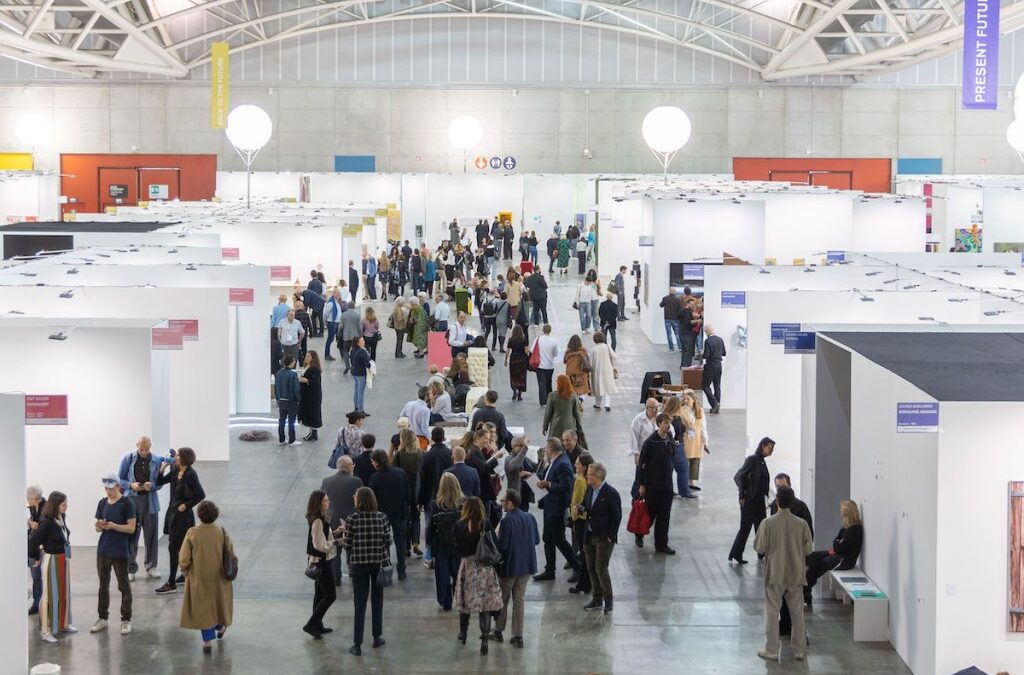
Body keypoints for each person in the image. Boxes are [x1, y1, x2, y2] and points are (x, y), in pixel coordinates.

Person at [754, 486, 812, 662]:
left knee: (772, 611)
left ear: (777, 501)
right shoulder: (801, 524)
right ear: (793, 502)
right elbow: (808, 549)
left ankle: (771, 649)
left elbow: (760, 547)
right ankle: (799, 650)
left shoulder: (768, 523)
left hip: (775, 574)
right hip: (795, 573)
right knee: (797, 612)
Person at [179, 500, 235, 653]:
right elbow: (231, 554)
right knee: (216, 606)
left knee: (204, 609)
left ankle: (207, 642)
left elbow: (184, 559)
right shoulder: (222, 532)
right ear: (215, 515)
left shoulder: (193, 533)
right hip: (219, 578)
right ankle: (221, 626)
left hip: (199, 579)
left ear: (199, 515)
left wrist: (185, 570)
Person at [342, 487, 392, 655]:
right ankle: (377, 637)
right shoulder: (382, 517)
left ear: (359, 500)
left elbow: (347, 543)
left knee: (360, 604)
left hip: (358, 565)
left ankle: (357, 644)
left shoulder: (352, 519)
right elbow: (388, 540)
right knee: (377, 601)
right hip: (378, 564)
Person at [453, 496, 503, 654]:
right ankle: (485, 641)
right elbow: (495, 545)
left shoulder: (459, 525)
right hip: (484, 569)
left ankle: (463, 633)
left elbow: (457, 547)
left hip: (467, 568)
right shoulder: (486, 524)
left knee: (465, 604)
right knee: (485, 606)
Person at [90, 474, 137, 636]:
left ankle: (126, 619)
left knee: (124, 586)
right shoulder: (102, 503)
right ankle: (102, 617)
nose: (108, 492)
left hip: (120, 551)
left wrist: (114, 526)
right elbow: (97, 529)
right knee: (103, 586)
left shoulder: (127, 503)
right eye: (106, 489)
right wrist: (99, 526)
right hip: (103, 551)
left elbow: (131, 528)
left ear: (118, 486)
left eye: (111, 488)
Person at [492, 489, 539, 647]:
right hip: (527, 565)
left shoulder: (506, 521)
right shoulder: (530, 517)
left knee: (503, 598)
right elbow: (537, 540)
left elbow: (503, 546)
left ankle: (498, 631)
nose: (502, 503)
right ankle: (518, 636)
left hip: (510, 567)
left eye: (503, 501)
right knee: (519, 600)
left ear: (510, 503)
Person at [155, 447, 206, 594]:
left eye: (177, 455)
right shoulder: (176, 470)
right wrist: (162, 468)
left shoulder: (190, 474)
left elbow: (201, 494)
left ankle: (171, 583)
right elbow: (160, 482)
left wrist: (186, 505)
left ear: (184, 458)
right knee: (180, 546)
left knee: (174, 547)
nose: (175, 457)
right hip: (173, 513)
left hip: (183, 517)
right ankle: (184, 575)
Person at [117, 436, 166, 581]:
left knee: (151, 536)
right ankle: (130, 568)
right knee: (132, 535)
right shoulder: (128, 459)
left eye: (147, 449)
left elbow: (160, 483)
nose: (144, 452)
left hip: (150, 502)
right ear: (136, 445)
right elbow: (120, 479)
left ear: (150, 446)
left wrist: (152, 486)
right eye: (141, 449)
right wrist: (131, 485)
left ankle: (151, 566)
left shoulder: (156, 460)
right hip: (132, 501)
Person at [29, 491, 76, 642]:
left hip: (63, 559)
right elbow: (33, 542)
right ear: (56, 506)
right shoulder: (47, 522)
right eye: (63, 504)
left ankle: (63, 624)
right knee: (49, 595)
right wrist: (35, 558)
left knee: (63, 593)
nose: (66, 506)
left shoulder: (61, 517)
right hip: (52, 560)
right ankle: (45, 631)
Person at [770, 473, 812, 637]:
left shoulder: (801, 508)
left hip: (795, 561)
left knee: (793, 599)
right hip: (781, 562)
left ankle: (795, 632)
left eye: (782, 486)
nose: (780, 490)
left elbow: (809, 536)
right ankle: (787, 626)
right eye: (778, 487)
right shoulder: (775, 505)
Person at [533, 438, 581, 581]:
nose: (545, 450)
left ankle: (578, 567)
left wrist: (549, 484)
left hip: (556, 508)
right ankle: (549, 570)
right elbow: (546, 476)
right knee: (548, 538)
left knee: (559, 540)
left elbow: (567, 488)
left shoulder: (562, 464)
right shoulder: (556, 461)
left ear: (551, 449)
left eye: (547, 448)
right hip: (549, 507)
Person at [805, 499, 864, 606]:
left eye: (842, 509)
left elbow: (840, 547)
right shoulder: (846, 527)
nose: (840, 512)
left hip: (845, 561)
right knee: (814, 556)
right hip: (839, 555)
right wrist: (838, 543)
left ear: (847, 511)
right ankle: (806, 588)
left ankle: (806, 588)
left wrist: (838, 543)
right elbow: (836, 543)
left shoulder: (855, 529)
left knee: (822, 563)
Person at [580, 462, 621, 613]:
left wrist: (611, 536)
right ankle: (597, 598)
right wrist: (581, 508)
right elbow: (587, 505)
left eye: (589, 475)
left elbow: (617, 517)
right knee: (591, 568)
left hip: (603, 538)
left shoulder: (611, 493)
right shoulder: (590, 489)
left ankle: (608, 599)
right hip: (589, 535)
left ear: (598, 477)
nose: (586, 477)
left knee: (601, 569)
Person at [729, 437, 774, 565]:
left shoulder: (761, 461)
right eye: (769, 447)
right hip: (749, 501)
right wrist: (742, 496)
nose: (771, 451)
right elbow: (739, 477)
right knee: (745, 528)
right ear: (762, 446)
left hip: (759, 501)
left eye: (772, 448)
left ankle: (762, 553)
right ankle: (736, 553)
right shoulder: (753, 460)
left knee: (760, 528)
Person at [304, 490, 341, 638]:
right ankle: (312, 624)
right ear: (319, 503)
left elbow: (323, 538)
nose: (328, 502)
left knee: (319, 594)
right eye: (325, 500)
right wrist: (336, 542)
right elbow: (320, 545)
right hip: (322, 562)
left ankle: (317, 625)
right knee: (330, 595)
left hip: (319, 561)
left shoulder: (318, 519)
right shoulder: (318, 521)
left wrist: (336, 532)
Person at [638, 414, 677, 554]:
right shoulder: (650, 442)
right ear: (659, 424)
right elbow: (642, 463)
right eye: (666, 423)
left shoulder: (670, 438)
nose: (668, 425)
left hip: (667, 485)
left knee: (664, 516)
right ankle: (639, 534)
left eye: (669, 423)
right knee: (650, 515)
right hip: (653, 485)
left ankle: (661, 545)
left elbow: (672, 456)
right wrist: (642, 484)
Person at [369, 449, 410, 579]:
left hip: (382, 515)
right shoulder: (401, 473)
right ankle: (402, 570)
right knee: (400, 542)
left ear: (376, 462)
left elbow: (372, 499)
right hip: (400, 512)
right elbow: (408, 493)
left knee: (384, 543)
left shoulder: (375, 477)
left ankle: (387, 568)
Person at [321, 456, 362, 585]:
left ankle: (336, 577)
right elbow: (360, 501)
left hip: (332, 520)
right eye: (352, 465)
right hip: (352, 520)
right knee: (352, 548)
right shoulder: (356, 481)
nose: (353, 467)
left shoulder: (327, 481)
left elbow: (322, 501)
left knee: (335, 550)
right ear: (349, 466)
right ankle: (352, 572)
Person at [427, 473, 464, 610]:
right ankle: (459, 598)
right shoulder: (463, 503)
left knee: (442, 574)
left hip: (441, 544)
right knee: (458, 573)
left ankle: (445, 601)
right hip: (459, 544)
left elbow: (431, 526)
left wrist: (429, 544)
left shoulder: (436, 504)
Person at [393, 431, 424, 557]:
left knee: (404, 518)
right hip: (416, 490)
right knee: (416, 518)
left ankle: (406, 546)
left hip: (403, 490)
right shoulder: (420, 454)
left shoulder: (399, 454)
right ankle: (416, 542)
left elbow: (394, 472)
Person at [568, 453, 594, 595]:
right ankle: (586, 582)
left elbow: (575, 503)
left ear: (584, 467)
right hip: (587, 520)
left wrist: (573, 519)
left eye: (577, 463)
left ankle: (583, 584)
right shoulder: (588, 481)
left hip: (580, 521)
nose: (575, 465)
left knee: (583, 553)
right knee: (586, 553)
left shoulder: (579, 481)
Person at [663, 396, 696, 500]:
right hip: (677, 446)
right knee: (683, 469)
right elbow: (686, 427)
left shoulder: (665, 417)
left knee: (669, 469)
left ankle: (668, 490)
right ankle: (684, 492)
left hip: (667, 446)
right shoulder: (676, 418)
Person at [680, 389, 709, 493]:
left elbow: (703, 426)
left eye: (688, 399)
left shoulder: (699, 410)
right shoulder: (681, 410)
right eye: (685, 399)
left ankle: (692, 482)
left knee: (695, 461)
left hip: (697, 440)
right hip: (686, 439)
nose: (686, 401)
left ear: (693, 400)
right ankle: (685, 482)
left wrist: (705, 441)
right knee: (685, 461)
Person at [418, 427, 454, 512]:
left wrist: (420, 500)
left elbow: (422, 479)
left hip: (430, 498)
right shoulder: (451, 454)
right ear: (443, 438)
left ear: (432, 438)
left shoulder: (426, 456)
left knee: (430, 523)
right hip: (448, 497)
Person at [542, 374, 584, 443]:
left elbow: (548, 414)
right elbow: (577, 413)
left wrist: (545, 427)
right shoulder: (573, 396)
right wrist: (579, 428)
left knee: (556, 446)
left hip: (556, 427)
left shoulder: (552, 396)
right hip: (570, 427)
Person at [26, 485, 45, 615]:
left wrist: (34, 525)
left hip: (40, 545)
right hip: (31, 542)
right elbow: (33, 522)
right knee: (33, 573)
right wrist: (30, 522)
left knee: (36, 575)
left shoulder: (46, 508)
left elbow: (46, 526)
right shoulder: (32, 507)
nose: (27, 499)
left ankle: (36, 603)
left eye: (28, 497)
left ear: (34, 497)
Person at [275, 354, 302, 446]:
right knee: (291, 421)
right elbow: (295, 389)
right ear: (291, 363)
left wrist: (278, 398)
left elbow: (276, 387)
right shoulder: (293, 374)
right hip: (291, 401)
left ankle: (281, 439)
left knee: (282, 420)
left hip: (281, 400)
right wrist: (298, 399)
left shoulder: (278, 373)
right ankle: (292, 439)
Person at [701, 324, 726, 414]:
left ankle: (714, 403)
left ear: (706, 331)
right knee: (717, 386)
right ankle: (717, 405)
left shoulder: (708, 341)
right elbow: (724, 353)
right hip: (719, 365)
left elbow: (706, 355)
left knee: (705, 385)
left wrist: (701, 355)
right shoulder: (720, 340)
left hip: (710, 365)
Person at [589, 331, 618, 411]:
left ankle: (597, 404)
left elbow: (590, 363)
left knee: (598, 388)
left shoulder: (593, 349)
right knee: (607, 387)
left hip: (597, 371)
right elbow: (615, 356)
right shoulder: (607, 346)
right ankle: (607, 404)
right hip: (607, 370)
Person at [299, 351, 323, 441]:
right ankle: (312, 432)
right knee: (310, 413)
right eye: (306, 356)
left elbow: (317, 383)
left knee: (313, 413)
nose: (306, 358)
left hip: (313, 395)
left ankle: (313, 433)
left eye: (309, 356)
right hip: (308, 394)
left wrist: (306, 380)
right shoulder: (307, 367)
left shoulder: (315, 369)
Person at [534, 323, 559, 405]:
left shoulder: (538, 339)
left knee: (541, 383)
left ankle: (543, 401)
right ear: (550, 331)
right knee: (548, 383)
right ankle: (550, 399)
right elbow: (555, 354)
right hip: (550, 365)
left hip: (540, 365)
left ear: (543, 330)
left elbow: (532, 350)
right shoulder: (553, 341)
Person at [504, 324, 529, 402]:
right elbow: (526, 351)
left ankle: (514, 392)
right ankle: (520, 395)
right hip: (522, 360)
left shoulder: (510, 339)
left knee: (513, 376)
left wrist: (505, 360)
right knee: (521, 376)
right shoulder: (524, 339)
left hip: (513, 359)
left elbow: (507, 351)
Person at [564, 335, 591, 400]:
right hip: (580, 372)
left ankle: (575, 400)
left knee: (572, 387)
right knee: (582, 387)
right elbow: (587, 359)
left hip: (570, 372)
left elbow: (564, 361)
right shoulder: (583, 350)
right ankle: (581, 397)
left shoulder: (568, 351)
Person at [339, 300, 362, 374]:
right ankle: (353, 366)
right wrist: (360, 335)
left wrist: (339, 333)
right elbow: (359, 327)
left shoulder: (343, 315)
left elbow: (340, 326)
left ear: (348, 306)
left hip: (346, 336)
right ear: (354, 306)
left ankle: (347, 366)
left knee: (345, 351)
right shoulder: (357, 315)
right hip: (355, 337)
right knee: (354, 352)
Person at [350, 336, 372, 413]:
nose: (364, 342)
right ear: (358, 343)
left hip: (355, 372)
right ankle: (361, 410)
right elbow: (367, 364)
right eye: (362, 341)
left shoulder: (352, 350)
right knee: (360, 393)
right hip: (361, 373)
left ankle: (356, 407)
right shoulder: (363, 352)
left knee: (356, 391)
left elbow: (352, 361)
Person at [323, 288, 344, 361]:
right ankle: (327, 354)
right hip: (332, 323)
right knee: (330, 339)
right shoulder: (331, 303)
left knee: (339, 338)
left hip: (337, 323)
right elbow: (326, 314)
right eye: (338, 293)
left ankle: (343, 354)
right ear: (334, 294)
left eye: (339, 293)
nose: (339, 295)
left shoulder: (336, 302)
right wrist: (326, 322)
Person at [678, 293, 695, 368]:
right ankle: (687, 366)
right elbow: (687, 322)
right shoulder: (688, 312)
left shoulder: (681, 310)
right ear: (688, 304)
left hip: (681, 332)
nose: (693, 305)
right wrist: (697, 320)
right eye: (692, 304)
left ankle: (683, 366)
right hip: (687, 333)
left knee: (684, 350)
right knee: (688, 351)